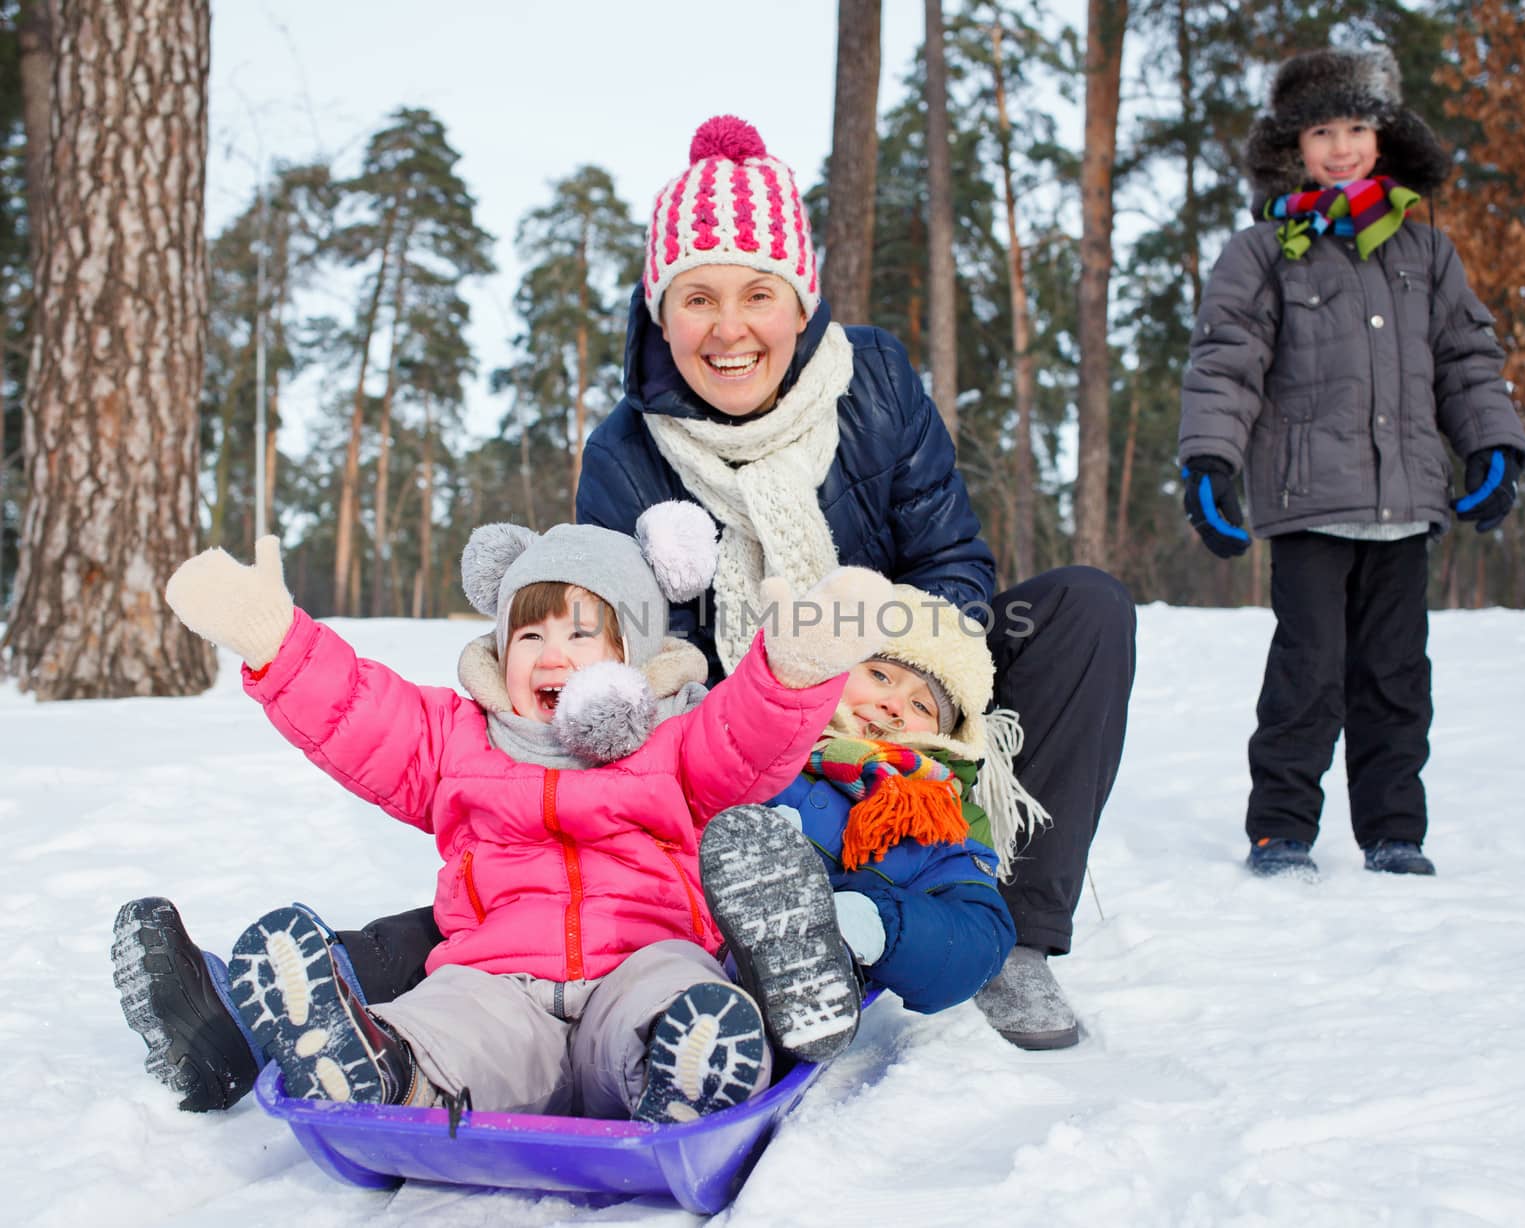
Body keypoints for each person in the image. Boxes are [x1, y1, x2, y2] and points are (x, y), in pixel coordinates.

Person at [112, 114, 1138, 1112]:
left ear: (801, 299)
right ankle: (253, 1016)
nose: (727, 328)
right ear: (660, 309)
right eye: (696, 298)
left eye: (755, 294)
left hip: (890, 690)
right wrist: (770, 711)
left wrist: (887, 683)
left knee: (1084, 607)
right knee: (546, 880)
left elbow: (950, 559)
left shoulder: (873, 383)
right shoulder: (627, 451)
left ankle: (1020, 937)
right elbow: (634, 647)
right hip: (734, 745)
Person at [151, 504, 893, 1123]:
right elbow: (360, 714)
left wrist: (794, 669)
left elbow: (744, 738)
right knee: (449, 1021)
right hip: (499, 979)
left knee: (676, 996)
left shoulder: (672, 739)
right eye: (529, 635)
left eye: (581, 634)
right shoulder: (460, 737)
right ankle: (383, 1069)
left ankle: (688, 1070)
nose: (550, 655)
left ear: (632, 655)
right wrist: (278, 645)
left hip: (637, 963)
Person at [1177, 47, 1525, 879]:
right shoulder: (1264, 251)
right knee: (1307, 673)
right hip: (1309, 504)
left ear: (1384, 138)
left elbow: (1466, 359)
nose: (1340, 146)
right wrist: (1209, 464)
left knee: (1397, 676)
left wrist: (1492, 445)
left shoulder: (1426, 254)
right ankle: (1282, 828)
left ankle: (1395, 830)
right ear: (1293, 146)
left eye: (1357, 127)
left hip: (1406, 506)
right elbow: (1226, 361)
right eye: (1322, 130)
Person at [699, 585, 1021, 1059]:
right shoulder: (751, 736)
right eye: (879, 675)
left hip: (785, 979)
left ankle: (775, 1002)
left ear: (944, 738)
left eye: (921, 706)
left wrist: (874, 922)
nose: (894, 706)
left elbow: (982, 936)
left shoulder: (936, 820)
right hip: (675, 932)